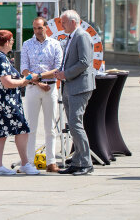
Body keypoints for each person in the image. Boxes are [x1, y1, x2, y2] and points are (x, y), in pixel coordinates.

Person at [0, 30, 38, 176]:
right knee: (22, 129)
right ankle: (25, 163)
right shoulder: (1, 59)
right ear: (7, 42)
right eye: (12, 40)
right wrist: (24, 81)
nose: (13, 43)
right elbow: (7, 82)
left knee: (0, 132)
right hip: (6, 102)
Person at [55, 10, 96, 176]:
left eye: (64, 22)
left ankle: (86, 162)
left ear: (73, 21)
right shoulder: (73, 36)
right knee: (73, 125)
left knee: (75, 124)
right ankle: (78, 161)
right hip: (70, 86)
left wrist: (66, 73)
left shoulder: (82, 36)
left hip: (79, 86)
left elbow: (84, 62)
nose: (62, 25)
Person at [20, 17, 63, 173]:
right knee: (31, 125)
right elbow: (24, 68)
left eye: (40, 28)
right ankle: (29, 161)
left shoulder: (55, 44)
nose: (37, 31)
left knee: (50, 126)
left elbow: (58, 68)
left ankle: (51, 161)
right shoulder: (27, 44)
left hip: (50, 87)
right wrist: (38, 81)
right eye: (35, 28)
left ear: (46, 28)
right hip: (33, 87)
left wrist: (41, 76)